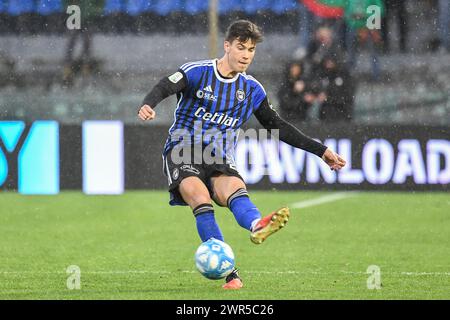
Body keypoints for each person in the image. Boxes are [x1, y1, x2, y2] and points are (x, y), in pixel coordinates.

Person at [137, 20, 346, 290]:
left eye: (251, 49)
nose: (246, 54)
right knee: (201, 200)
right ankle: (230, 273)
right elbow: (167, 85)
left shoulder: (251, 89)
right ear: (227, 46)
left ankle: (257, 225)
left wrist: (321, 151)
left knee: (234, 190)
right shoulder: (198, 72)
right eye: (241, 47)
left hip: (218, 155)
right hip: (182, 149)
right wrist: (148, 104)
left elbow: (278, 126)